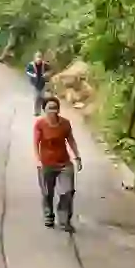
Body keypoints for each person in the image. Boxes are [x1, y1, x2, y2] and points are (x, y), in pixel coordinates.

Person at [35, 96, 83, 231]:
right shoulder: (40, 125)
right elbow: (36, 143)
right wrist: (38, 160)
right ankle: (48, 215)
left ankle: (64, 219)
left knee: (68, 191)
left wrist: (77, 157)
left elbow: (71, 140)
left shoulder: (65, 124)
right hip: (46, 164)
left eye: (56, 108)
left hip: (64, 163)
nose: (53, 111)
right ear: (44, 110)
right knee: (47, 193)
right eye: (50, 108)